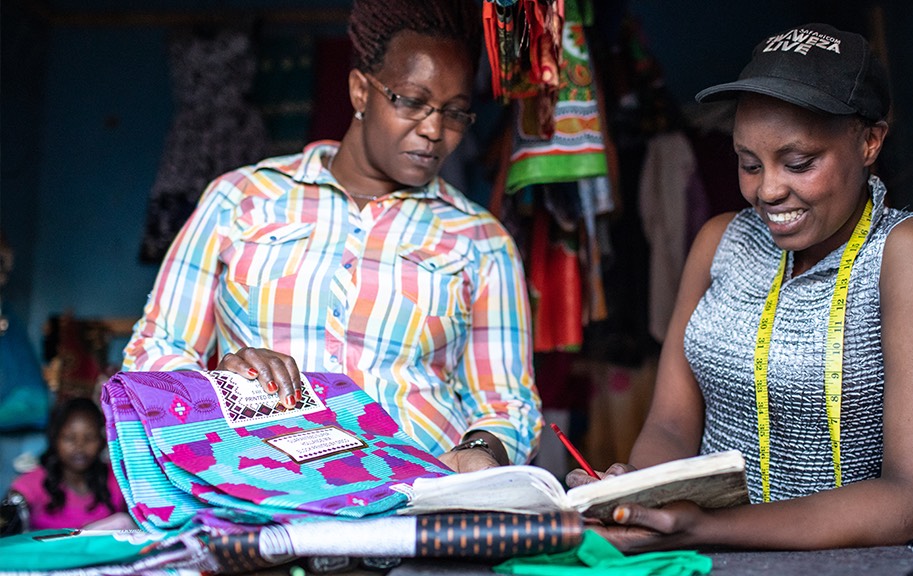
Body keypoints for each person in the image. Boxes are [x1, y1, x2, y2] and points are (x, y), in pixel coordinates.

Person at [567, 23, 913, 551]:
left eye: (799, 163)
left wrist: (704, 527)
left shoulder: (903, 252)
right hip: (699, 557)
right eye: (748, 164)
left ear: (870, 140)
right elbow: (670, 422)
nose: (768, 190)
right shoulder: (720, 241)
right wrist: (634, 498)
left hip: (845, 564)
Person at [121, 0, 541, 473]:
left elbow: (506, 403)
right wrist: (222, 383)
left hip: (420, 496)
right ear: (360, 91)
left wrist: (480, 452)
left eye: (456, 113)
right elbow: (153, 352)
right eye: (411, 101)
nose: (433, 130)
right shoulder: (238, 200)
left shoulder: (482, 240)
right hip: (262, 489)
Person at [4, 397, 128, 532]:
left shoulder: (119, 479)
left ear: (103, 440)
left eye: (90, 438)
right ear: (54, 439)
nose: (79, 447)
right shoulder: (30, 486)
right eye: (70, 438)